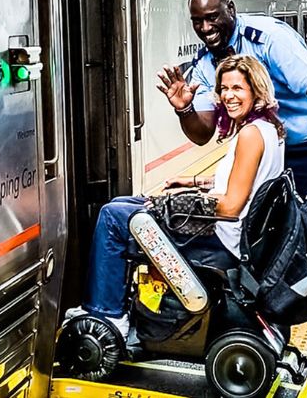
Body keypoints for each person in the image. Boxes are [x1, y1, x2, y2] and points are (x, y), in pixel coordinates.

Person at [154, 0, 307, 357]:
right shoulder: (206, 64)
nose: (206, 28)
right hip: (282, 141)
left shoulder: (267, 36)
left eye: (212, 17)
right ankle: (275, 327)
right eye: (197, 21)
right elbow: (203, 133)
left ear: (231, 9)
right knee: (270, 232)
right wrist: (184, 108)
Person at [67, 55, 286, 339]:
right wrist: (194, 182)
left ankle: (108, 314)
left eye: (237, 88)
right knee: (122, 204)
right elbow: (246, 181)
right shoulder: (268, 128)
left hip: (224, 240)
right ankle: (108, 303)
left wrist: (171, 204)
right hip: (237, 234)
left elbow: (231, 207)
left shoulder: (250, 135)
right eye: (223, 88)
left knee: (113, 217)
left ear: (256, 91)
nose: (228, 96)